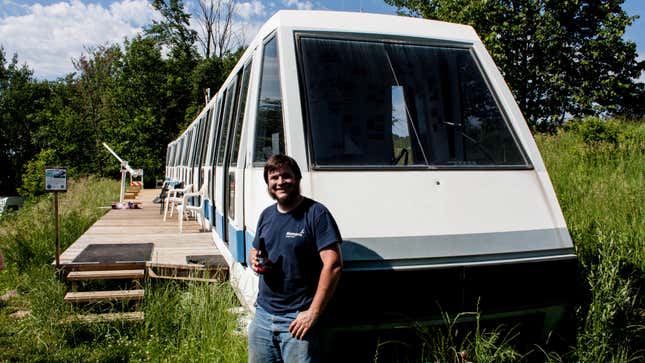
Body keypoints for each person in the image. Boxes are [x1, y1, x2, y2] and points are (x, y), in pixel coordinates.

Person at [248, 154, 343, 363]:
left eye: (286, 176)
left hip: (297, 320)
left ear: (298, 179)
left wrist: (312, 313)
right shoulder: (266, 215)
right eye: (274, 178)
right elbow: (255, 250)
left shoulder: (316, 213)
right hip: (262, 316)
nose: (280, 182)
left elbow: (334, 264)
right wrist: (253, 258)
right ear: (268, 183)